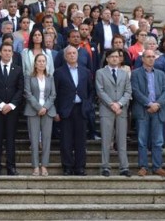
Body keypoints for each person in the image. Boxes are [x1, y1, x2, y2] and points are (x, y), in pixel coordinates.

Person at [53, 46, 93, 176]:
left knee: (81, 141)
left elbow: (91, 90)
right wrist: (56, 111)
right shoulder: (58, 72)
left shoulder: (85, 71)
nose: (71, 55)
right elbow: (55, 93)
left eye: (74, 53)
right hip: (65, 110)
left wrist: (87, 105)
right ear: (65, 56)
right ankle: (67, 167)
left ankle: (80, 167)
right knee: (66, 140)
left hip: (81, 109)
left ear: (78, 55)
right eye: (69, 53)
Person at [131, 50, 165, 177]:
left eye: (153, 57)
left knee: (158, 141)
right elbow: (135, 91)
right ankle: (143, 166)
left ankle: (157, 166)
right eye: (148, 57)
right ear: (142, 59)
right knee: (142, 140)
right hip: (143, 110)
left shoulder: (161, 74)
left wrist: (157, 104)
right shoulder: (135, 74)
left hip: (158, 110)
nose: (151, 59)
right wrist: (149, 103)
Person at [0, 42, 24, 176]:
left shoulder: (18, 69)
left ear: (12, 53)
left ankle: (11, 166)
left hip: (13, 111)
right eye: (5, 50)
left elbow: (20, 89)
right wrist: (1, 104)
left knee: (10, 139)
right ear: (0, 52)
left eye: (10, 51)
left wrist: (12, 105)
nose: (7, 53)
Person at [96, 49, 133, 177]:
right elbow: (100, 91)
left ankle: (124, 167)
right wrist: (112, 104)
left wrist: (120, 104)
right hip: (107, 109)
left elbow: (128, 91)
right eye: (112, 57)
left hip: (121, 110)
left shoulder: (124, 73)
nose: (115, 59)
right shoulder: (100, 73)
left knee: (122, 140)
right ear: (107, 58)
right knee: (106, 139)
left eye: (117, 57)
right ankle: (105, 166)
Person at [23, 54, 56, 176]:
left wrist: (45, 107)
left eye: (43, 61)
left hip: (48, 111)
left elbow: (53, 95)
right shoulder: (28, 77)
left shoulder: (50, 77)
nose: (42, 63)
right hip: (33, 110)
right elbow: (27, 93)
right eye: (39, 61)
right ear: (35, 63)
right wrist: (38, 107)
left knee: (46, 139)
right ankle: (36, 166)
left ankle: (44, 166)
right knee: (34, 139)